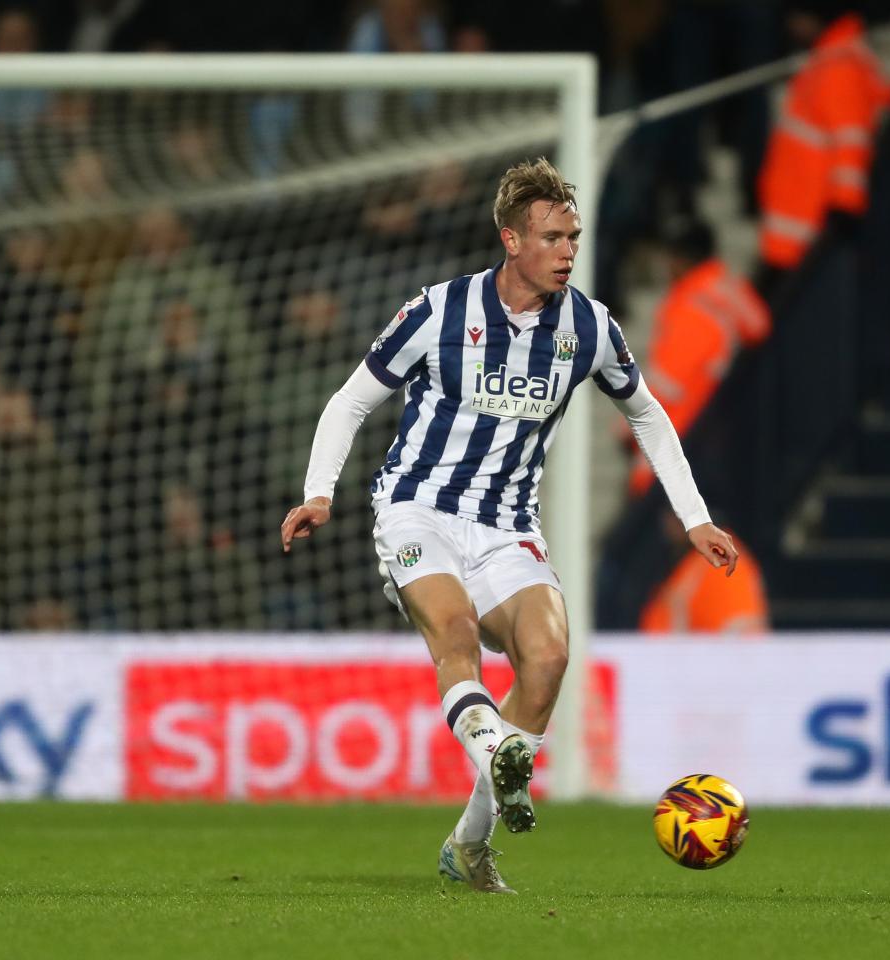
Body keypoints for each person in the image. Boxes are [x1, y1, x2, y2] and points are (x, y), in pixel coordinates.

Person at [280, 158, 737, 894]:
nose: (568, 251)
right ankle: (498, 749)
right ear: (511, 239)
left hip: (507, 527)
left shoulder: (589, 326)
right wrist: (319, 492)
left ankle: (470, 842)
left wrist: (695, 518)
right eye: (553, 237)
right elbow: (351, 400)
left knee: (548, 659)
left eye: (575, 238)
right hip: (417, 507)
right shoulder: (438, 311)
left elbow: (647, 412)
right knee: (456, 636)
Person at [756, 10, 890, 291]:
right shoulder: (830, 57)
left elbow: (851, 140)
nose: (791, 23)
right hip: (800, 233)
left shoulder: (839, 66)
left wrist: (844, 210)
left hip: (810, 236)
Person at [628, 218, 770, 495]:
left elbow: (668, 382)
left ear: (681, 260)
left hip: (682, 435)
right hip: (723, 428)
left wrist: (628, 425)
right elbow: (760, 326)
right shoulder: (729, 288)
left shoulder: (689, 304)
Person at [640, 511, 768, 635]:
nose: (666, 524)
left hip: (715, 650)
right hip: (736, 648)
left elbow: (674, 616)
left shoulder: (710, 558)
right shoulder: (726, 554)